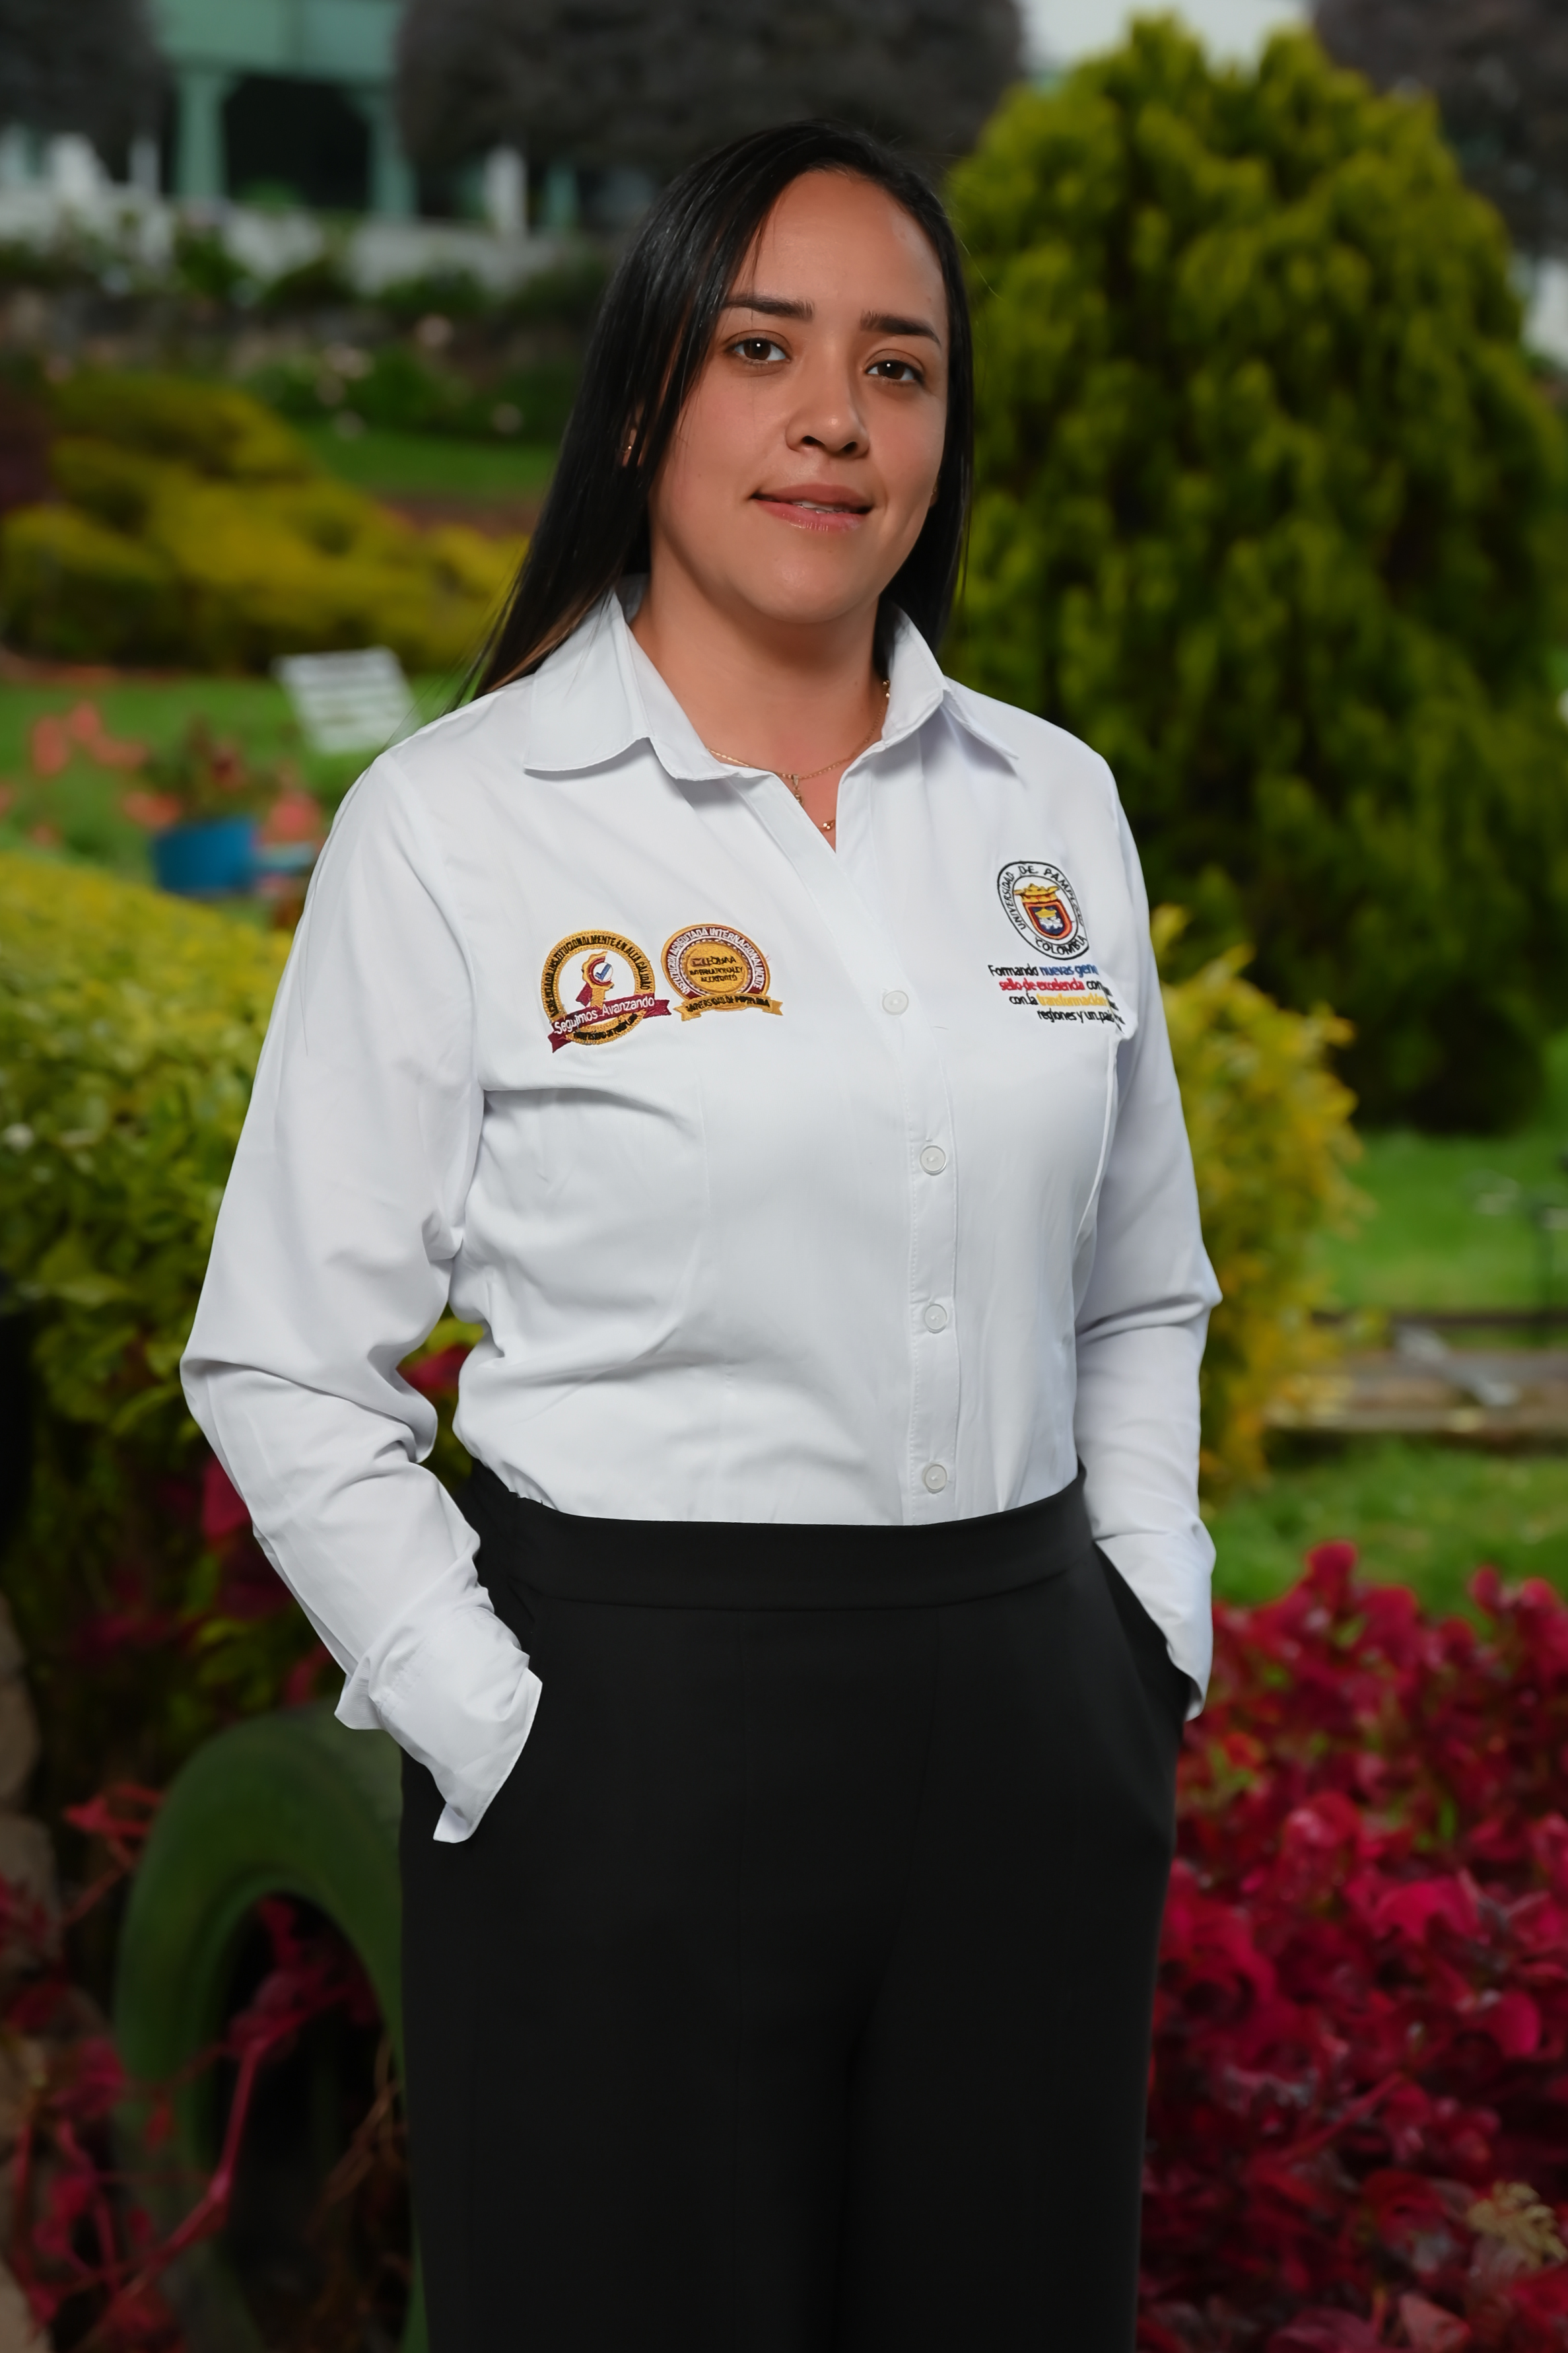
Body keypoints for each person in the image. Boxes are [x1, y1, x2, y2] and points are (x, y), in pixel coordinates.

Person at [183, 118, 1219, 2353]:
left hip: (1030, 1727)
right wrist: (499, 1728)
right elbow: (282, 1354)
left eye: (899, 366)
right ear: (647, 391)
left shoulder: (1054, 807)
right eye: (764, 348)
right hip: (625, 1736)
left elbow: (1143, 1281)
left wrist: (1144, 1630)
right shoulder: (458, 825)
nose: (835, 417)